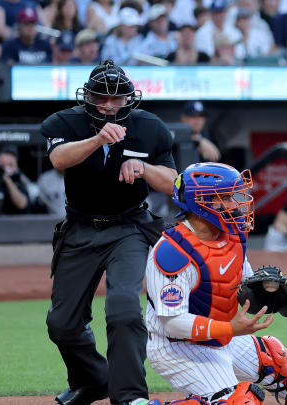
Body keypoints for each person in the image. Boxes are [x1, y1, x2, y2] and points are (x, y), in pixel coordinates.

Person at [145, 162, 287, 404]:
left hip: (224, 335)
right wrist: (231, 328)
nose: (235, 204)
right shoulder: (172, 253)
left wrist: (265, 293)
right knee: (240, 401)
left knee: (276, 359)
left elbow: (241, 287)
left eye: (233, 196)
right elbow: (172, 323)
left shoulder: (232, 235)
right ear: (199, 204)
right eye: (224, 198)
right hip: (178, 348)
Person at [40, 59, 177, 405]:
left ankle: (130, 396)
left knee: (124, 309)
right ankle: (92, 380)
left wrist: (145, 168)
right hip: (80, 227)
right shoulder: (66, 122)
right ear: (88, 97)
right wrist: (97, 138)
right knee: (62, 323)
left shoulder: (150, 127)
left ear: (131, 98)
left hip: (129, 227)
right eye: (102, 97)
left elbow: (173, 183)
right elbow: (58, 159)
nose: (110, 105)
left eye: (118, 99)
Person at [0, 144, 29, 215]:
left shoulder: (19, 178)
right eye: (3, 165)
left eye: (10, 164)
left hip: (14, 223)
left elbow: (22, 204)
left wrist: (8, 180)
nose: (6, 168)